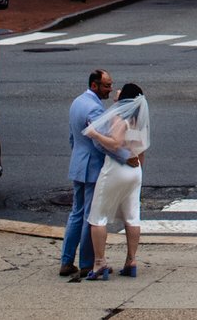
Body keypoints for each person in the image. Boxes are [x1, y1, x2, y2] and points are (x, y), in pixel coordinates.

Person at [82, 83, 150, 280]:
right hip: (135, 169)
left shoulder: (121, 119)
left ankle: (99, 262)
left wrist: (95, 133)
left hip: (116, 168)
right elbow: (142, 150)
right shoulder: (140, 122)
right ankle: (131, 259)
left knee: (98, 215)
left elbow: (115, 143)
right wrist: (139, 171)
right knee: (132, 215)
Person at [58, 68, 110, 278]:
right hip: (92, 166)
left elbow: (72, 137)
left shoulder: (77, 102)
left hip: (78, 162)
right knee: (91, 215)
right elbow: (99, 142)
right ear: (94, 85)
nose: (110, 88)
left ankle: (66, 260)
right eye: (106, 85)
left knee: (76, 213)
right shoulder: (94, 110)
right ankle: (87, 262)